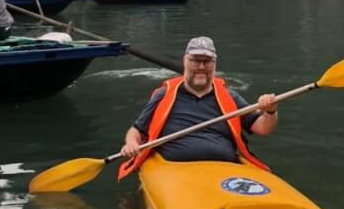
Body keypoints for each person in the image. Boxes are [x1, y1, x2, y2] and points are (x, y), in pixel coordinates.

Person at [118, 37, 278, 179]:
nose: (201, 66)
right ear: (185, 61)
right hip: (174, 170)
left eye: (207, 61)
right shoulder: (164, 94)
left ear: (214, 64)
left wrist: (270, 111)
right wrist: (131, 143)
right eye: (195, 61)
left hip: (224, 170)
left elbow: (263, 128)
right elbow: (136, 130)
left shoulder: (230, 96)